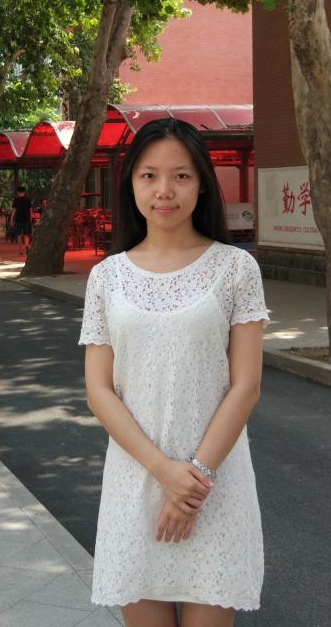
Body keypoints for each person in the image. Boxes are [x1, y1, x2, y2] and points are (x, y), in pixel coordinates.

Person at [79, 118, 268, 627]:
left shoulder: (236, 269)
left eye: (181, 176)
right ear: (131, 184)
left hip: (215, 485)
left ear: (202, 183)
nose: (164, 190)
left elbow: (246, 387)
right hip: (135, 483)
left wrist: (194, 483)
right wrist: (165, 473)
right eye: (149, 176)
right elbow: (99, 391)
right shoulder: (106, 277)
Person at [9, 185, 33, 255]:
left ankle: (20, 251)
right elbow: (30, 210)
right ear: (24, 192)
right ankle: (26, 245)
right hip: (27, 219)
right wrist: (31, 219)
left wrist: (11, 220)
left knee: (19, 235)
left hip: (18, 219)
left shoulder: (16, 200)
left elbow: (14, 210)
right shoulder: (28, 200)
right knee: (26, 234)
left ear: (18, 192)